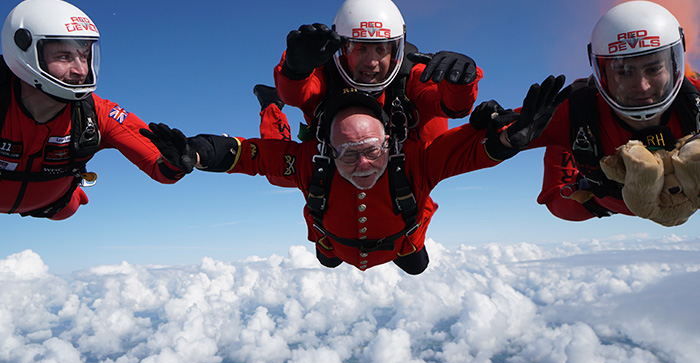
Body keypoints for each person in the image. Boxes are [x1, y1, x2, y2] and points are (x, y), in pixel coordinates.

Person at [141, 76, 569, 274]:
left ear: (390, 143)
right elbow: (252, 155)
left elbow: (468, 152)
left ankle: (361, 252)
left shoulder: (414, 160)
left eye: (371, 151)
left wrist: (511, 139)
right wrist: (197, 153)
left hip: (396, 242)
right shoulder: (313, 162)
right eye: (347, 155)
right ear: (327, 150)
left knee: (412, 264)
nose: (363, 165)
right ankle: (271, 104)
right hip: (336, 239)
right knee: (282, 173)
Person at [502, 1, 700, 221]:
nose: (642, 86)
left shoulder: (694, 100)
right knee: (563, 201)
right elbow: (555, 199)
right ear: (604, 74)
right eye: (624, 71)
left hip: (602, 199)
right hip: (597, 195)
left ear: (674, 63)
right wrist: (499, 132)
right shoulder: (572, 113)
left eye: (654, 68)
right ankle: (568, 143)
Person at [0, 0, 185, 220]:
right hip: (47, 198)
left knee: (68, 208)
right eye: (64, 57)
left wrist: (178, 161)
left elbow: (160, 168)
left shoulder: (98, 114)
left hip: (53, 204)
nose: (80, 70)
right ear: (25, 52)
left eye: (85, 57)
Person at [269, 0, 482, 145]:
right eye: (360, 48)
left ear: (395, 51)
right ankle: (270, 106)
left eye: (381, 49)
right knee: (281, 176)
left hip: (401, 162)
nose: (371, 63)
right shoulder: (326, 73)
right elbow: (295, 96)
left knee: (432, 145)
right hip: (339, 158)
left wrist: (461, 84)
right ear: (344, 50)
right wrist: (295, 71)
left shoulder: (410, 76)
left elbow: (453, 107)